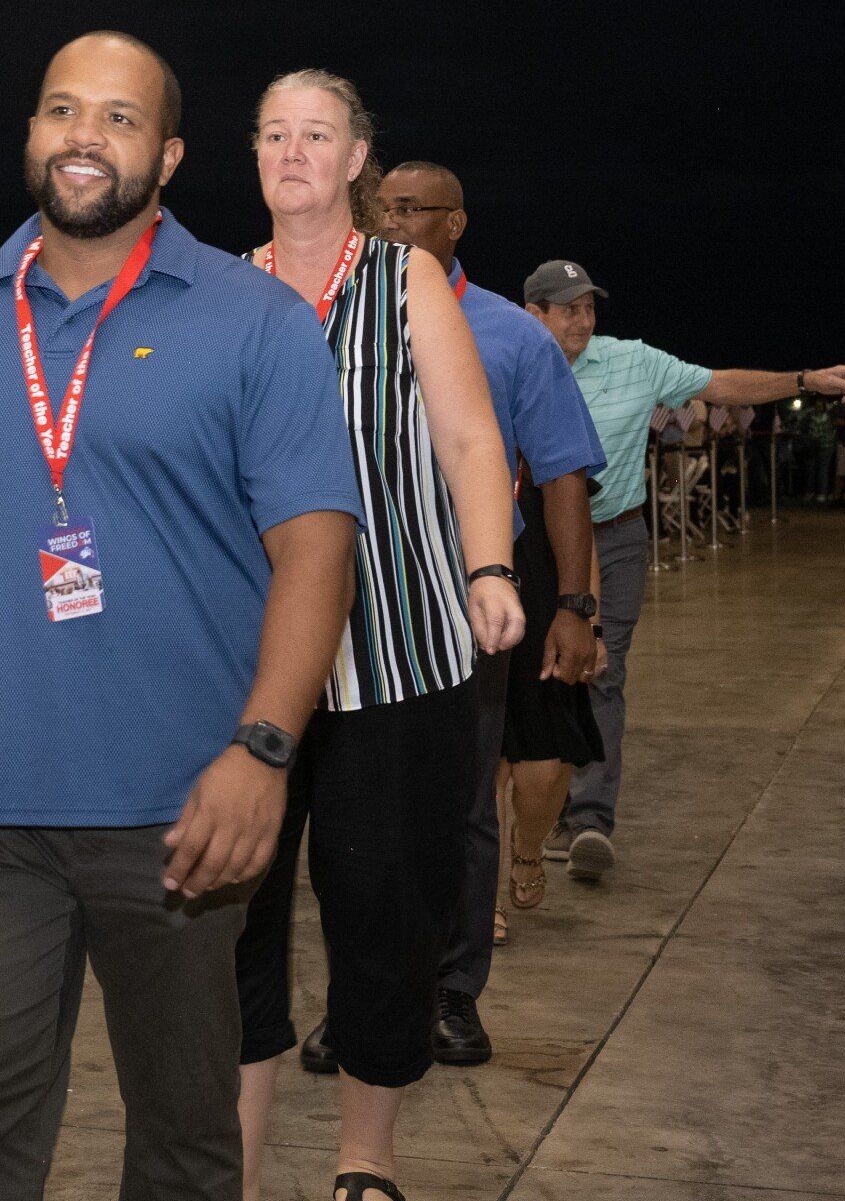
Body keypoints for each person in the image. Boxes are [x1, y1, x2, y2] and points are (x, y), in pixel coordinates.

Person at [0, 31, 365, 1201]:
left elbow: (318, 544)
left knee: (181, 1132)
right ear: (29, 135)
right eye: (62, 110)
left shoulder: (252, 319)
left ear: (167, 156)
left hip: (184, 813)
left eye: (119, 118)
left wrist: (264, 748)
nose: (84, 135)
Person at [232, 70, 524, 1201]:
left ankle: (366, 1156)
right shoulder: (219, 291)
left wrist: (489, 566)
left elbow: (466, 440)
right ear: (253, 156)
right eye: (275, 134)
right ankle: (238, 1164)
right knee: (233, 918)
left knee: (385, 908)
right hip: (246, 663)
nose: (294, 152)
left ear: (358, 159)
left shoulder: (406, 280)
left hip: (395, 655)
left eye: (318, 134)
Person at [525, 262, 845, 881]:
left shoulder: (634, 360)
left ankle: (590, 821)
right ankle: (544, 806)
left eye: (588, 307)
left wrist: (803, 379)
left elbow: (721, 386)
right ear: (536, 314)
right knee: (540, 674)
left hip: (616, 537)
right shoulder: (513, 359)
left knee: (602, 670)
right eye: (568, 308)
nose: (582, 319)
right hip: (534, 542)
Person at [373, 160, 606, 1069]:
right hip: (357, 595)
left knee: (463, 798)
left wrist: (576, 605)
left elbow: (560, 476)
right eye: (381, 209)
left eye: (411, 210)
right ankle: (370, 991)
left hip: (469, 593)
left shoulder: (510, 337)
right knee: (366, 802)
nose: (392, 224)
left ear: (457, 223)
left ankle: (453, 993)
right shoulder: (336, 319)